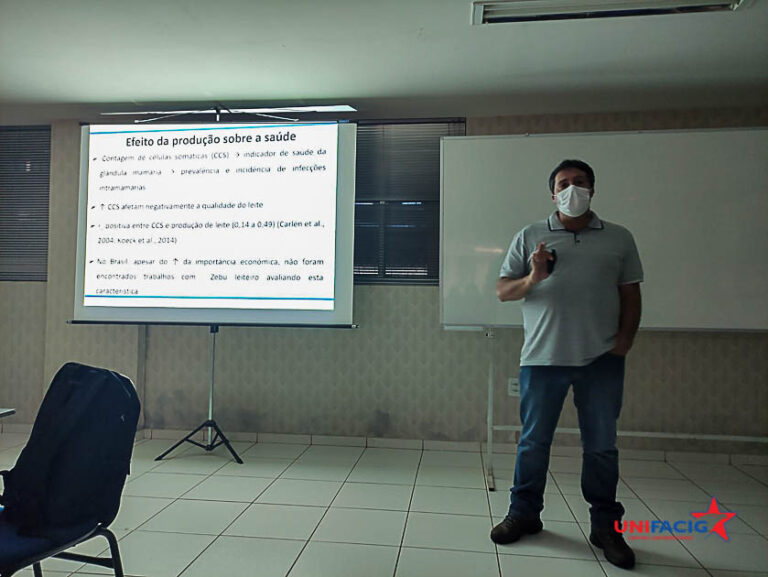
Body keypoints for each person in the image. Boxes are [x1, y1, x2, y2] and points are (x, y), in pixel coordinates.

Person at [490, 159, 643, 570]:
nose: (571, 189)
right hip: (542, 359)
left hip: (602, 359)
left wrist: (625, 340)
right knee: (533, 442)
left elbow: (630, 294)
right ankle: (524, 514)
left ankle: (605, 527)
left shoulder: (619, 238)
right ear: (552, 193)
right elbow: (504, 291)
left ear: (592, 189)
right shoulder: (530, 236)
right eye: (563, 184)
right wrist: (534, 278)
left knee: (601, 447)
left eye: (579, 183)